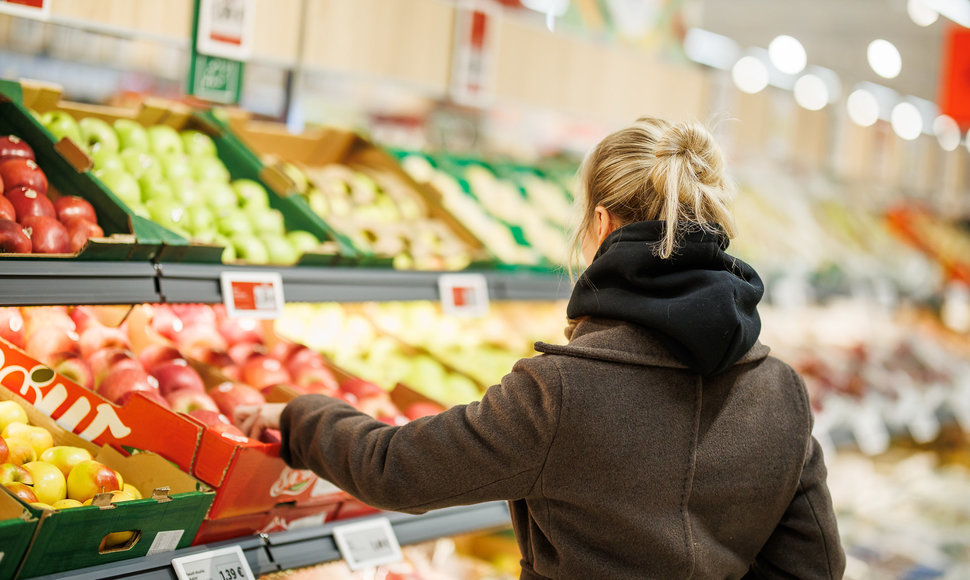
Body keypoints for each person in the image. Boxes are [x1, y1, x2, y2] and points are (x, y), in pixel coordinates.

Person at [235, 117, 846, 579]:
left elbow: (396, 470)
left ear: (602, 225)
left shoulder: (562, 390)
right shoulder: (780, 391)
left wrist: (300, 417)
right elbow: (814, 563)